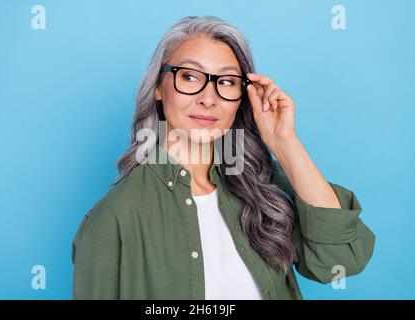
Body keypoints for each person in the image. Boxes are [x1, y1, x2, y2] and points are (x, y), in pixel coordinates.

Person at [71, 15, 375, 300]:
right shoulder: (112, 220)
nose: (208, 97)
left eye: (226, 82)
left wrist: (284, 143)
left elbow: (342, 260)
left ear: (242, 96)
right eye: (189, 77)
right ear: (158, 89)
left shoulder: (262, 187)